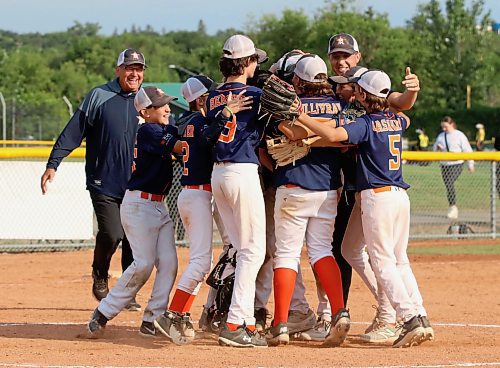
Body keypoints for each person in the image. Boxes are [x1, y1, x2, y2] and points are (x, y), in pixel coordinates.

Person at [296, 69, 434, 348]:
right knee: (356, 250)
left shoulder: (367, 124)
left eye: (358, 89)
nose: (353, 91)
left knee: (383, 261)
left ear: (363, 95)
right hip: (398, 196)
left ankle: (408, 318)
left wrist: (300, 115)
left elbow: (333, 134)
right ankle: (419, 313)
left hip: (377, 198)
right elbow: (404, 114)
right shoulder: (395, 119)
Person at [40, 48, 147, 310]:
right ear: (118, 70)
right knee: (112, 232)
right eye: (129, 68)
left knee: (134, 239)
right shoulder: (99, 96)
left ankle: (125, 292)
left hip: (135, 182)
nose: (134, 73)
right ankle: (100, 274)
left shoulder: (145, 100)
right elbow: (74, 131)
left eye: (139, 69)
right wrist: (54, 163)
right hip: (103, 180)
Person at [155, 75, 253, 343]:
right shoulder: (200, 122)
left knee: (210, 257)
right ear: (200, 99)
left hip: (192, 194)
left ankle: (185, 312)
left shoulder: (188, 122)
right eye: (209, 95)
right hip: (197, 195)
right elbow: (208, 139)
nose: (215, 98)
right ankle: (174, 313)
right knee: (200, 261)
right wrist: (227, 114)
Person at [86, 86, 184, 340]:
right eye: (161, 105)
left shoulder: (160, 128)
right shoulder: (149, 130)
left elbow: (180, 132)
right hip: (139, 206)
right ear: (145, 111)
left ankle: (152, 319)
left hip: (158, 206)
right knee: (143, 264)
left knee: (170, 264)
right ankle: (103, 312)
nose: (167, 108)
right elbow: (180, 147)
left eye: (166, 104)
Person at [266, 54, 349, 347]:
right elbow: (345, 139)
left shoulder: (289, 107)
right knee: (321, 251)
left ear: (298, 80)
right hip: (327, 189)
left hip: (293, 186)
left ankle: (280, 324)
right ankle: (339, 311)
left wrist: (299, 134)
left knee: (287, 255)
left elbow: (286, 135)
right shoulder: (341, 106)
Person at [205, 34, 268, 348]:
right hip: (242, 171)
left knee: (241, 249)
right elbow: (284, 116)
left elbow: (206, 131)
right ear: (245, 63)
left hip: (219, 175)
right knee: (253, 250)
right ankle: (234, 323)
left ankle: (245, 322)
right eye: (254, 59)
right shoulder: (255, 94)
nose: (256, 64)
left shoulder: (212, 97)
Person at [433, 116, 474, 219]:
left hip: (457, 164)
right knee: (448, 185)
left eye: (446, 127)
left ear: (452, 124)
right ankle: (452, 206)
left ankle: (453, 207)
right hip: (444, 164)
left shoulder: (459, 135)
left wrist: (470, 164)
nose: (444, 129)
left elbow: (467, 149)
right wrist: (437, 148)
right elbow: (434, 149)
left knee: (450, 183)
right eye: (442, 127)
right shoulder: (441, 136)